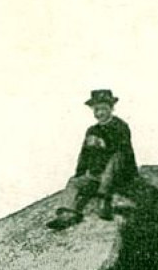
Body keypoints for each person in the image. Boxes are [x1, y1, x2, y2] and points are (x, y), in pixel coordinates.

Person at [47, 88, 138, 228]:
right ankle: (68, 213)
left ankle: (104, 201)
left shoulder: (120, 126)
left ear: (111, 108)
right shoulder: (92, 131)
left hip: (119, 176)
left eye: (103, 108)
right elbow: (84, 155)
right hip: (97, 176)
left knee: (116, 157)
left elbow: (123, 153)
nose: (99, 113)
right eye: (96, 110)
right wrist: (81, 174)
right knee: (74, 182)